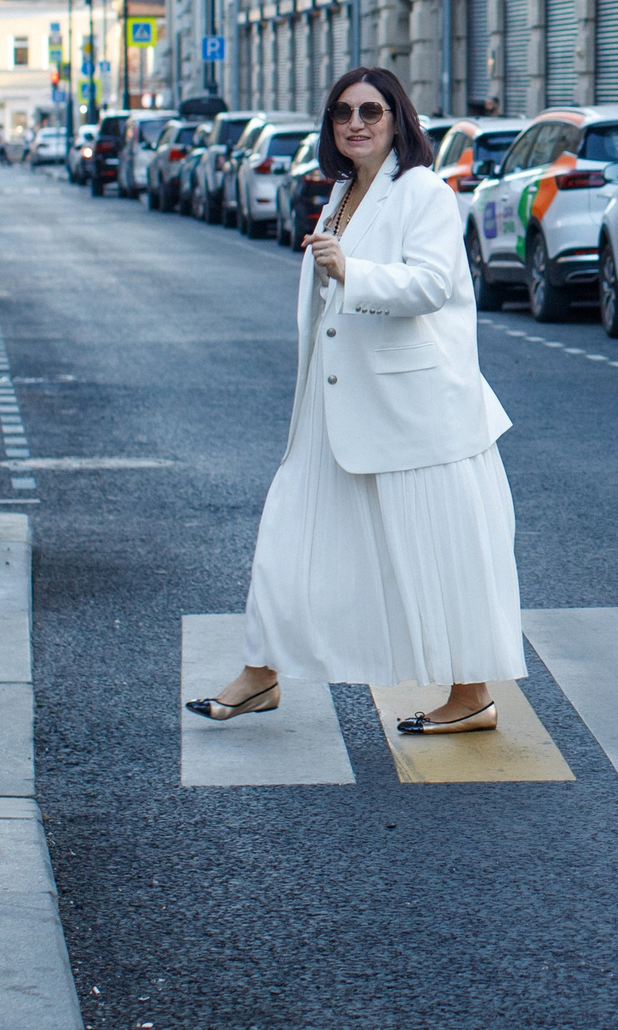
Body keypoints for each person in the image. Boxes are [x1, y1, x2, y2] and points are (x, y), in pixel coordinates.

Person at [188, 66, 525, 733]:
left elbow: (432, 285)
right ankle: (261, 673)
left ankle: (471, 695)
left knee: (440, 549)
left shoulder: (422, 191)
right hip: (334, 403)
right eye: (343, 113)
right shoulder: (343, 191)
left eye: (371, 111)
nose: (355, 124)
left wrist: (352, 270)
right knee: (289, 533)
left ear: (398, 118)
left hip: (416, 411)